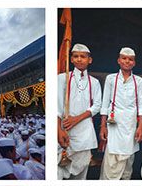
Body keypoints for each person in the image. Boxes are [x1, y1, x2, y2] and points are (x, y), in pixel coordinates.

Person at [99, 47, 142, 180]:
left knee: (128, 163)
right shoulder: (111, 79)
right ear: (118, 60)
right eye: (124, 58)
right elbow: (104, 104)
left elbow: (141, 107)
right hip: (113, 125)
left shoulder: (138, 81)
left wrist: (140, 127)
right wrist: (103, 126)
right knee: (111, 161)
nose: (127, 61)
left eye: (130, 59)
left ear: (134, 63)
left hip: (131, 126)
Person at [57, 43, 102, 180]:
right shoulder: (62, 78)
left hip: (85, 133)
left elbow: (97, 105)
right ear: (71, 59)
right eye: (75, 56)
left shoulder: (94, 82)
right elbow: (57, 106)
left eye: (83, 56)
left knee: (81, 173)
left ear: (90, 60)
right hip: (66, 130)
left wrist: (76, 119)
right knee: (59, 170)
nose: (79, 59)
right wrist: (58, 129)